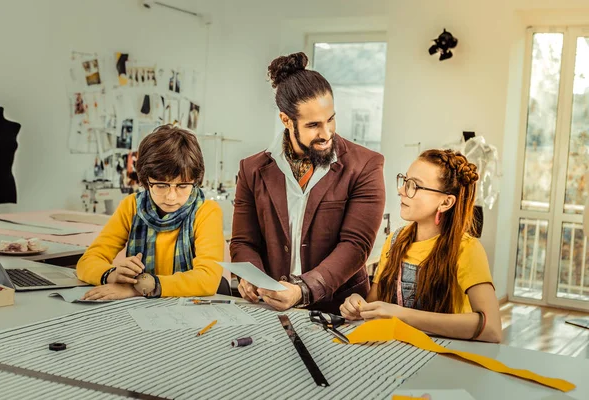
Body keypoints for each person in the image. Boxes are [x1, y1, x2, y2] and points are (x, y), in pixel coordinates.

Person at [231, 52, 385, 313]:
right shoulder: (252, 169)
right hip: (273, 309)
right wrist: (251, 277)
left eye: (330, 119)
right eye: (313, 125)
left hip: (340, 309)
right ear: (286, 121)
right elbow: (243, 242)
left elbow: (355, 246)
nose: (326, 134)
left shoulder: (365, 166)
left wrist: (302, 290)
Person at [340, 149, 502, 343]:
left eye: (414, 185)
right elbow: (375, 304)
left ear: (446, 202)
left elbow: (491, 329)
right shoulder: (394, 242)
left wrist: (402, 315)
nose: (401, 191)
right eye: (405, 181)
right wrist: (359, 305)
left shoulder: (467, 249)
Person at [77, 125, 224, 300]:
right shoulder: (131, 206)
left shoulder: (206, 212)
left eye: (182, 186)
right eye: (161, 185)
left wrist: (141, 287)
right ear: (147, 180)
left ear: (195, 181)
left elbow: (207, 279)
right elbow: (87, 262)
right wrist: (113, 274)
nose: (171, 196)